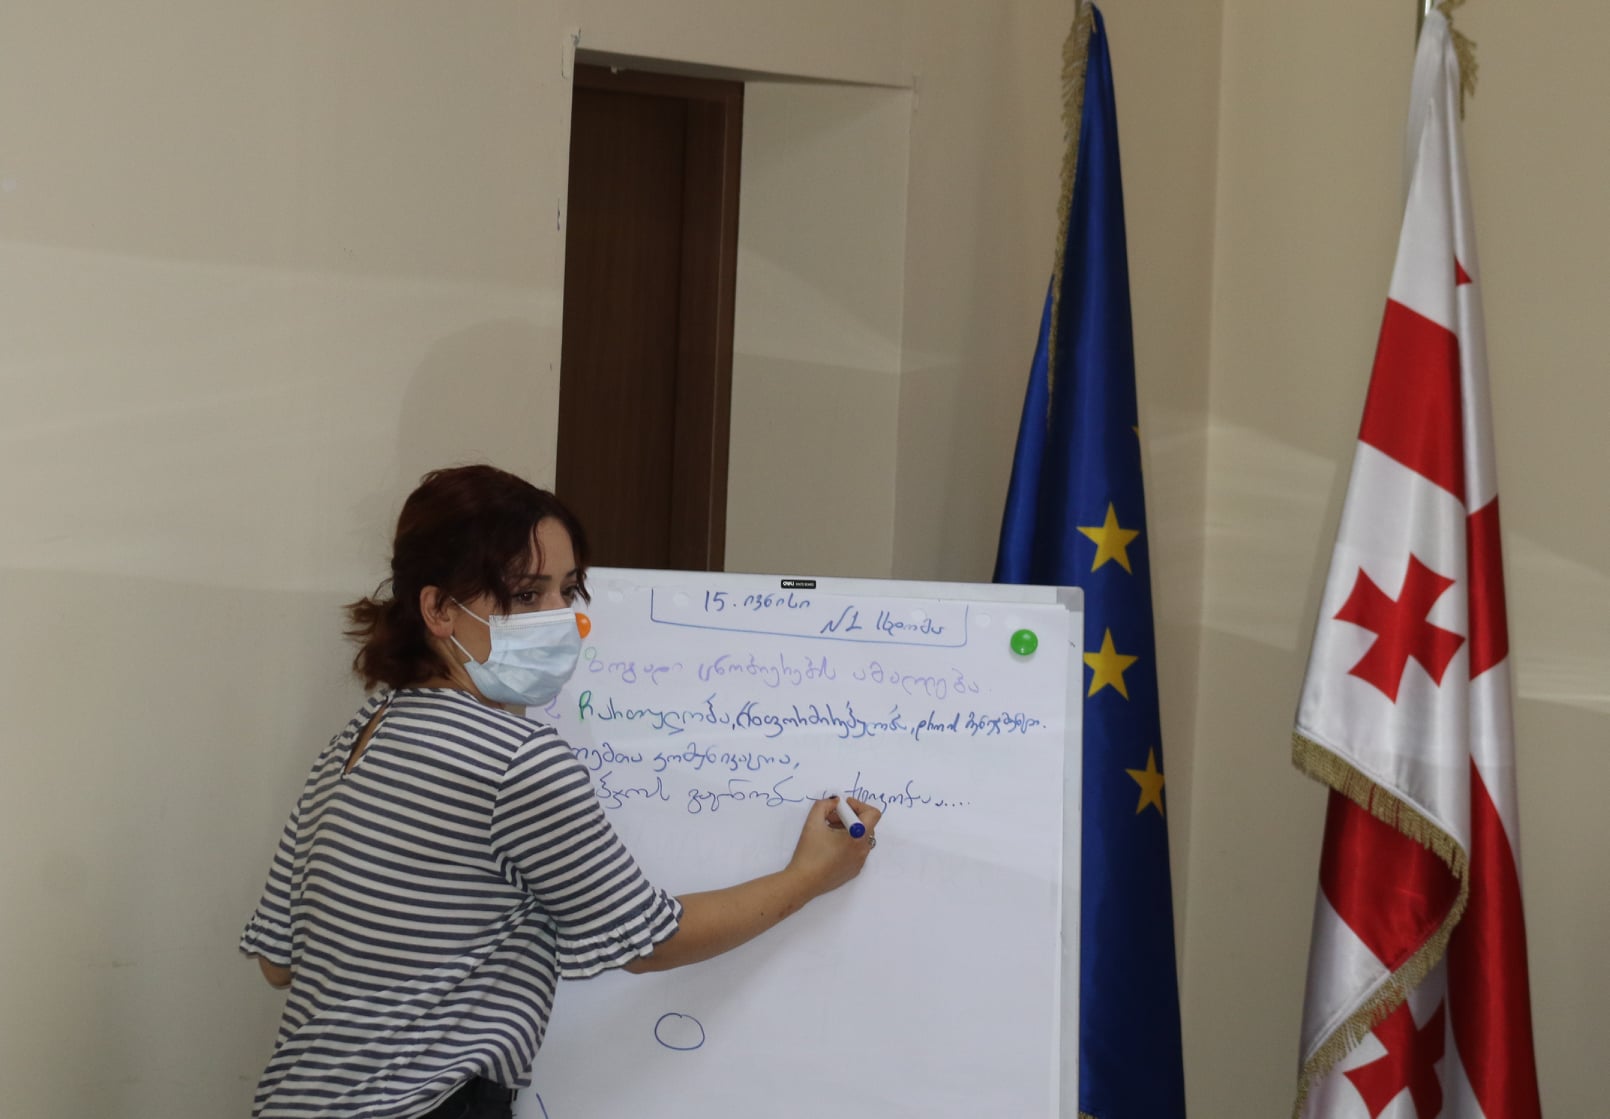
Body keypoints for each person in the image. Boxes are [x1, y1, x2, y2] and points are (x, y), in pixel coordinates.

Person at [240, 464, 881, 1119]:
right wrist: (810, 875)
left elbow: (278, 962)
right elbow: (650, 941)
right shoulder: (513, 757)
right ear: (437, 609)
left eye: (568, 590)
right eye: (524, 594)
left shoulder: (362, 735)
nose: (559, 618)